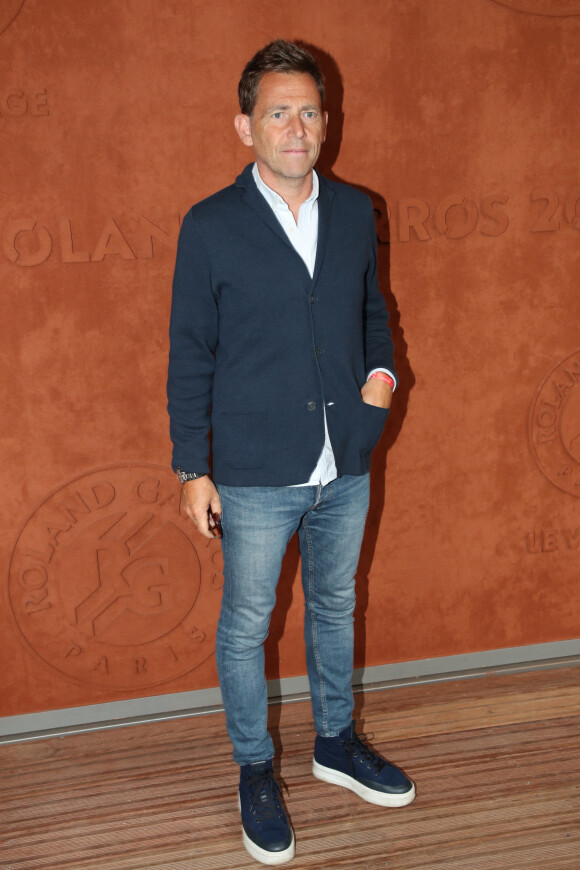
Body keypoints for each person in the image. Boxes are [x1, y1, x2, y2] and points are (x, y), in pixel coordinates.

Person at [167, 39, 415, 866]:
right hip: (253, 470)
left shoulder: (354, 210)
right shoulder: (209, 225)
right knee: (247, 626)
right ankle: (255, 768)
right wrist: (191, 468)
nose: (296, 127)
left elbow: (373, 314)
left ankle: (336, 743)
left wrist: (380, 382)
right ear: (246, 126)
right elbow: (190, 352)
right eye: (278, 112)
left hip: (345, 459)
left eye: (309, 111)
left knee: (336, 605)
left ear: (326, 121)